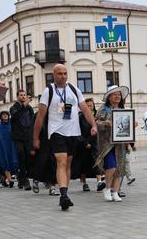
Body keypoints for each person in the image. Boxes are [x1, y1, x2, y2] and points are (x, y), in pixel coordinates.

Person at [33, 63, 98, 211]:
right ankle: (63, 195)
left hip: (73, 132)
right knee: (61, 162)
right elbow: (40, 116)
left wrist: (93, 125)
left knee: (68, 164)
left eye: (64, 73)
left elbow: (86, 110)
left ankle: (65, 193)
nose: (62, 76)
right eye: (59, 73)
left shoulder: (74, 90)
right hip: (57, 132)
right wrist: (35, 138)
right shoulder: (48, 91)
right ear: (54, 75)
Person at [95, 85, 129, 202]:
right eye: (115, 94)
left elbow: (126, 125)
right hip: (107, 144)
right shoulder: (103, 109)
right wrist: (105, 123)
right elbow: (96, 122)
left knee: (119, 168)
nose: (117, 96)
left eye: (119, 94)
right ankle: (107, 189)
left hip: (120, 144)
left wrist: (132, 124)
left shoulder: (123, 110)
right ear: (109, 97)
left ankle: (115, 192)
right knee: (111, 167)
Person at [71, 98, 105, 192]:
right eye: (88, 106)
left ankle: (99, 183)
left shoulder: (96, 117)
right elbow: (77, 132)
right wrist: (85, 142)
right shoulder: (80, 117)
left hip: (94, 144)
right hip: (83, 144)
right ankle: (84, 183)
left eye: (91, 105)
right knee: (83, 165)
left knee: (96, 162)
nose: (90, 107)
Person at [10, 89, 34, 190]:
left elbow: (32, 121)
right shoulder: (13, 108)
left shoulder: (29, 108)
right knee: (21, 156)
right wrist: (23, 106)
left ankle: (21, 178)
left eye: (24, 95)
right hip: (18, 137)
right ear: (17, 97)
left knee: (28, 158)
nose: (23, 97)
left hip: (27, 137)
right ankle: (25, 181)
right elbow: (16, 116)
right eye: (21, 95)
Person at [0, 111, 18, 188]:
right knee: (5, 162)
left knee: (13, 162)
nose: (4, 116)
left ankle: (7, 178)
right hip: (2, 147)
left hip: (12, 146)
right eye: (3, 115)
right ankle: (10, 180)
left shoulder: (12, 125)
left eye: (6, 115)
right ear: (0, 117)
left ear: (8, 116)